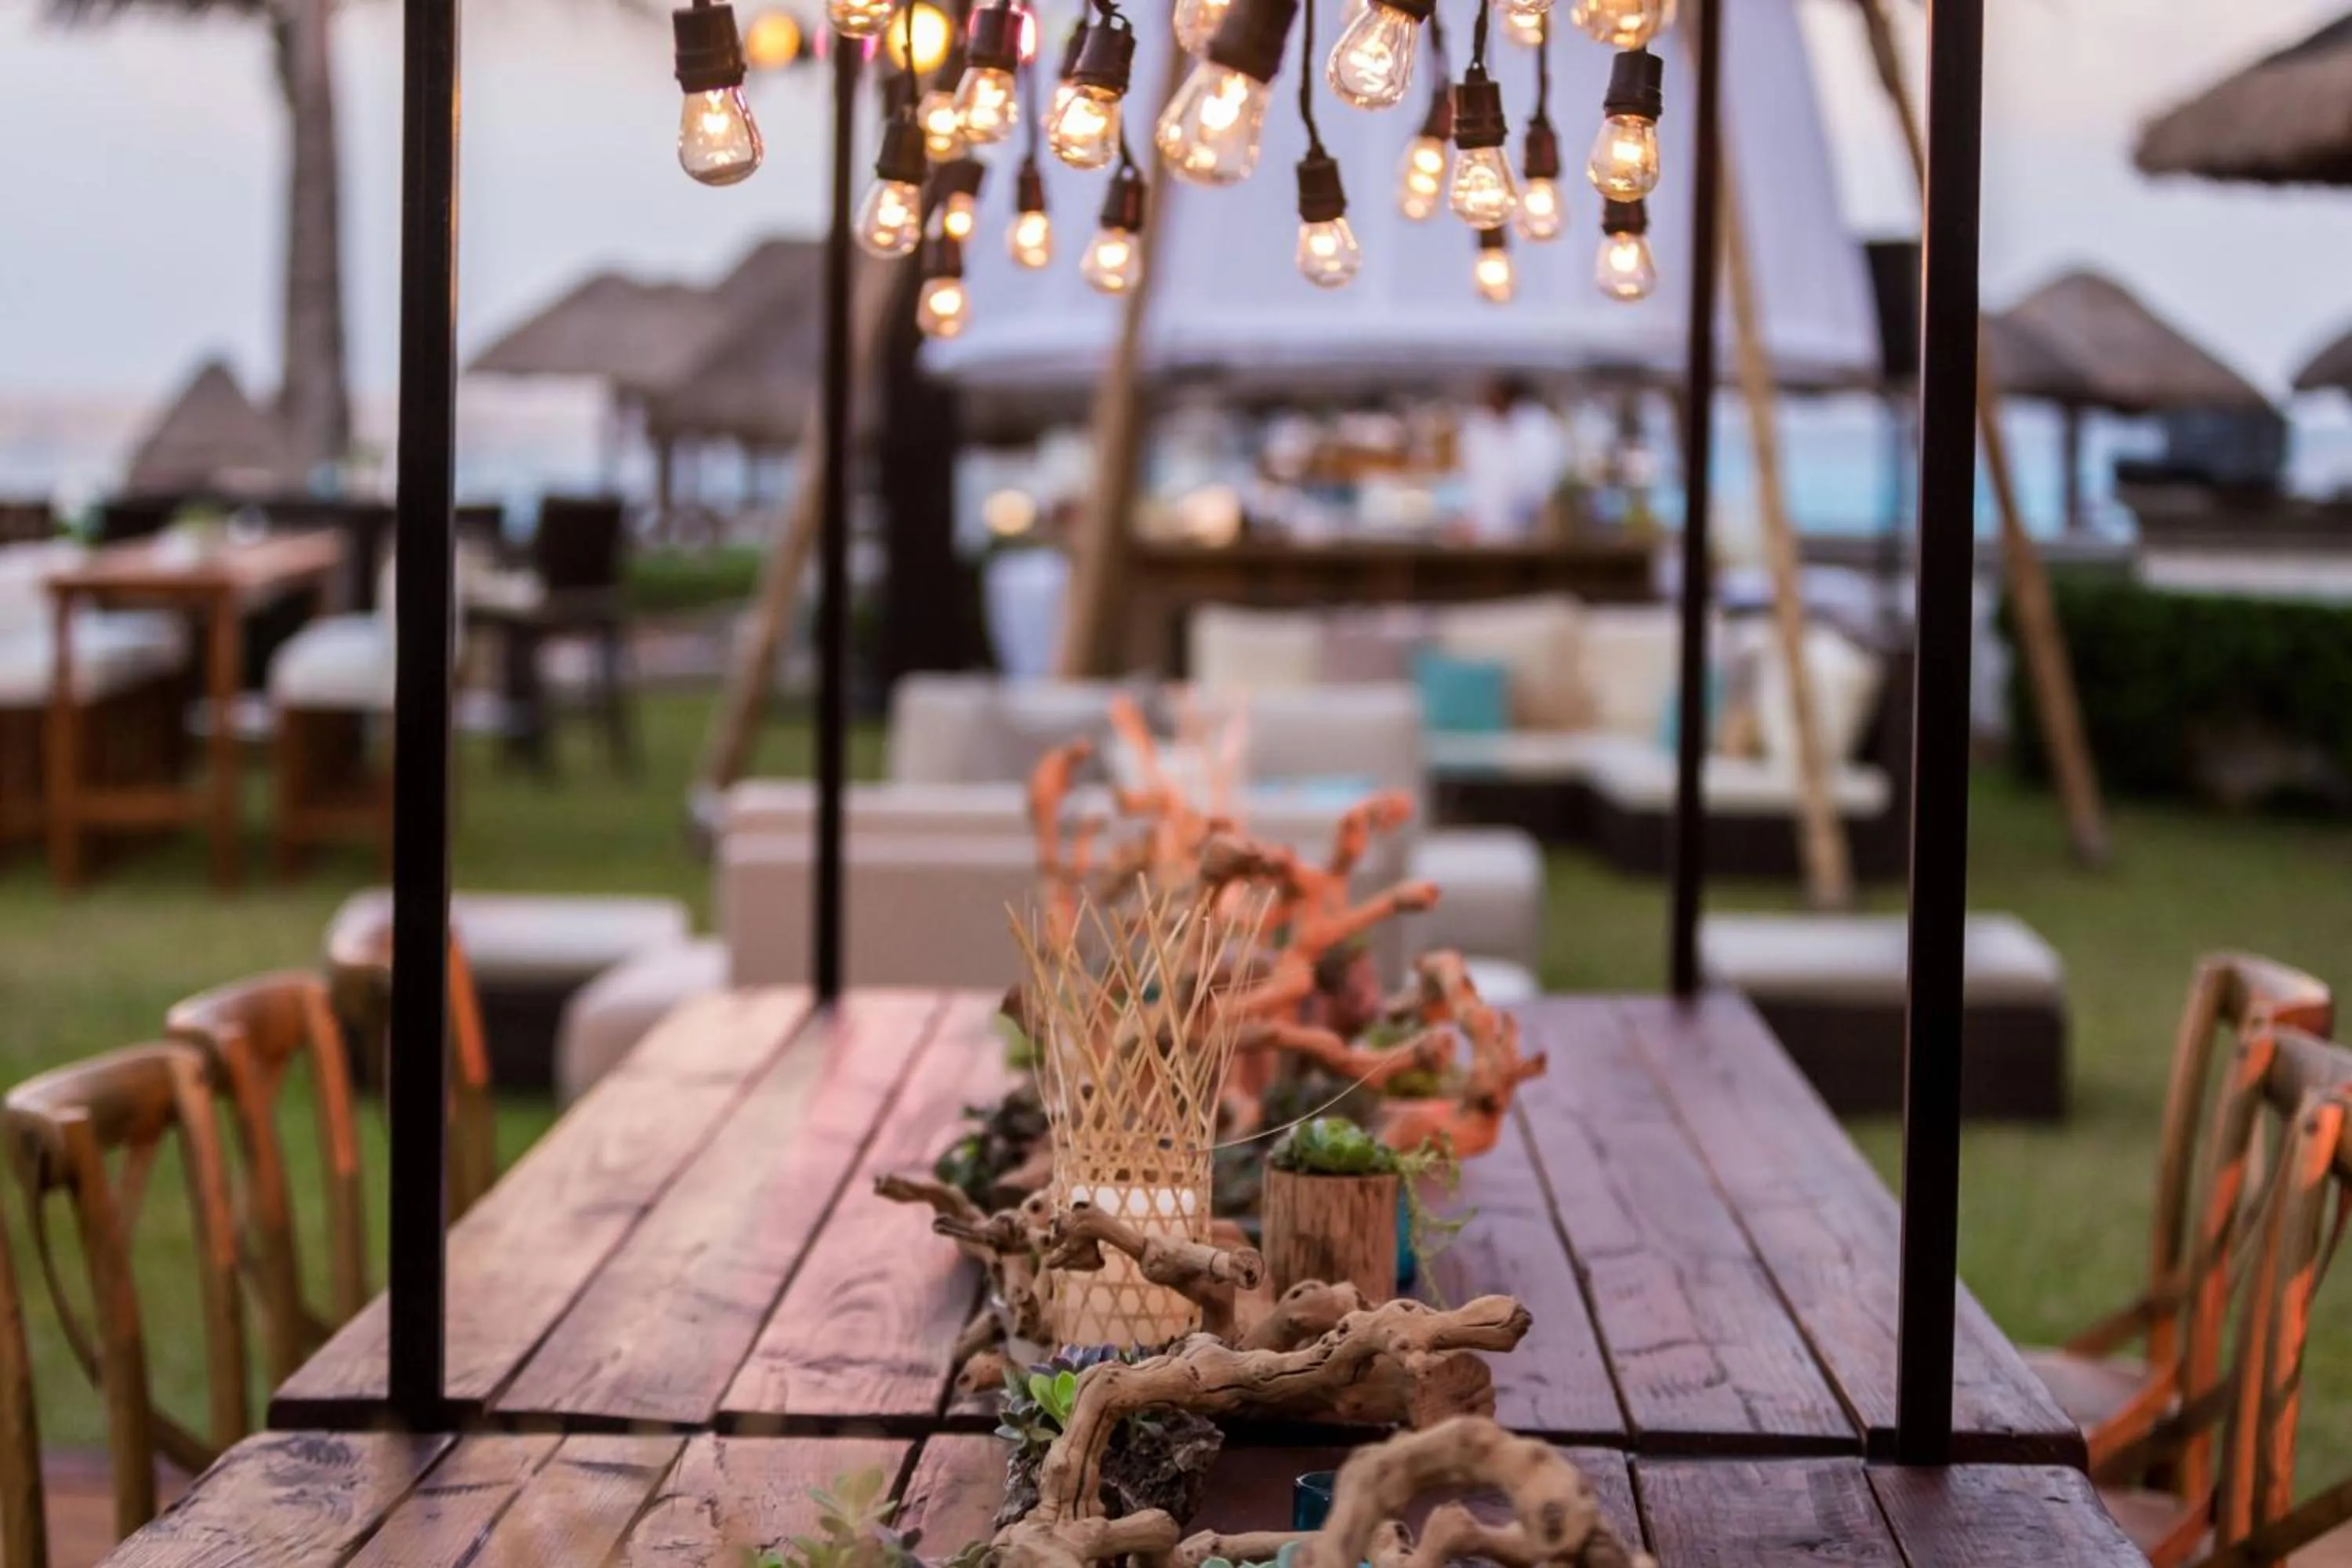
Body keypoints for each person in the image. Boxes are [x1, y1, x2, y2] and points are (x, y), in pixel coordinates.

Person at [1456, 377, 1567, 543]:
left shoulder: (1538, 428)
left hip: (1529, 526)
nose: (1490, 402)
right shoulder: (1479, 426)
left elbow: (1542, 480)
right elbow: (1474, 478)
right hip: (1486, 530)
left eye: (1495, 395)